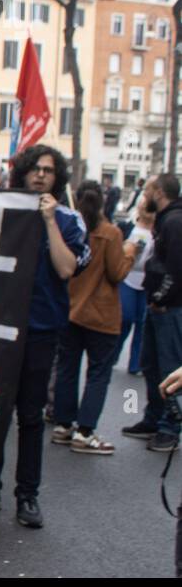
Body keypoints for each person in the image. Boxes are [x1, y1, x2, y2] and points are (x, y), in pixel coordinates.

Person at [0, 145, 90, 527]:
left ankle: (27, 495)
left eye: (49, 170)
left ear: (57, 178)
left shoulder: (68, 220)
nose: (42, 174)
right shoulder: (3, 208)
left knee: (29, 417)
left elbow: (66, 270)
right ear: (23, 172)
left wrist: (47, 222)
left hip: (40, 330)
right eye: (35, 168)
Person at [51, 181, 133, 454]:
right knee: (98, 373)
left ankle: (63, 425)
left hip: (71, 308)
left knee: (67, 368)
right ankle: (85, 432)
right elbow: (116, 273)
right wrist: (130, 255)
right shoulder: (110, 233)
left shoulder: (71, 229)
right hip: (101, 313)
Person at [123, 175, 182, 453]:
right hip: (159, 305)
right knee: (151, 364)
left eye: (146, 190)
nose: (142, 195)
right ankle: (154, 418)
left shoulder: (175, 221)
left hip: (170, 308)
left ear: (158, 192)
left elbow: (176, 268)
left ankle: (170, 427)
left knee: (170, 368)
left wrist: (160, 298)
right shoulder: (167, 219)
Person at [117, 186, 155, 376]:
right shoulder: (128, 227)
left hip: (147, 281)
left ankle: (135, 363)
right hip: (127, 278)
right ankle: (114, 352)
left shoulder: (159, 230)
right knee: (126, 317)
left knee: (142, 322)